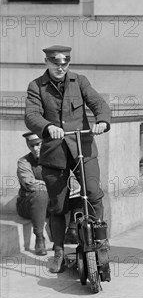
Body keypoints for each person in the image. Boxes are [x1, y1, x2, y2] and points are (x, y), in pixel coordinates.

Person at [25, 45, 111, 273]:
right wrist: (47, 127)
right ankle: (59, 251)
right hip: (54, 152)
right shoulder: (36, 86)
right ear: (47, 62)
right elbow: (31, 115)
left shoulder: (79, 81)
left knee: (92, 192)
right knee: (58, 206)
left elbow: (98, 103)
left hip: (83, 147)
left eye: (65, 63)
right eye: (55, 63)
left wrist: (102, 120)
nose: (60, 67)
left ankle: (100, 240)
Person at [16, 132, 49, 256]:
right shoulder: (24, 161)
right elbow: (30, 184)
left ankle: (71, 231)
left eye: (38, 144)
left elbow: (70, 182)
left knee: (79, 195)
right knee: (40, 194)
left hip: (49, 203)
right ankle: (39, 239)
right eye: (32, 146)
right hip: (27, 204)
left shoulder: (55, 159)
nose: (35, 148)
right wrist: (53, 185)